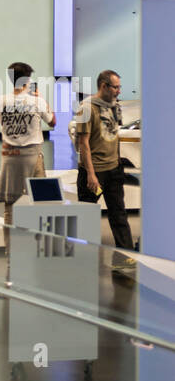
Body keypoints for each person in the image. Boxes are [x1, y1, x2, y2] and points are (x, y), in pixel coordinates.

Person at [75, 70, 135, 260]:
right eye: (115, 87)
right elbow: (83, 144)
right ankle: (84, 261)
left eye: (119, 87)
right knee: (87, 218)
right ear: (103, 86)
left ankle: (125, 259)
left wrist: (118, 163)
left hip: (113, 170)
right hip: (94, 173)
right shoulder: (86, 108)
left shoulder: (113, 106)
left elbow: (114, 136)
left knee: (119, 216)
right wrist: (91, 175)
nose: (118, 91)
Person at [0, 61, 56, 226]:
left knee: (10, 205)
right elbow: (52, 122)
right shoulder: (37, 102)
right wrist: (42, 99)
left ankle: (10, 247)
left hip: (10, 157)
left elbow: (0, 122)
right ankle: (35, 243)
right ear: (28, 80)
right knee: (39, 202)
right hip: (33, 157)